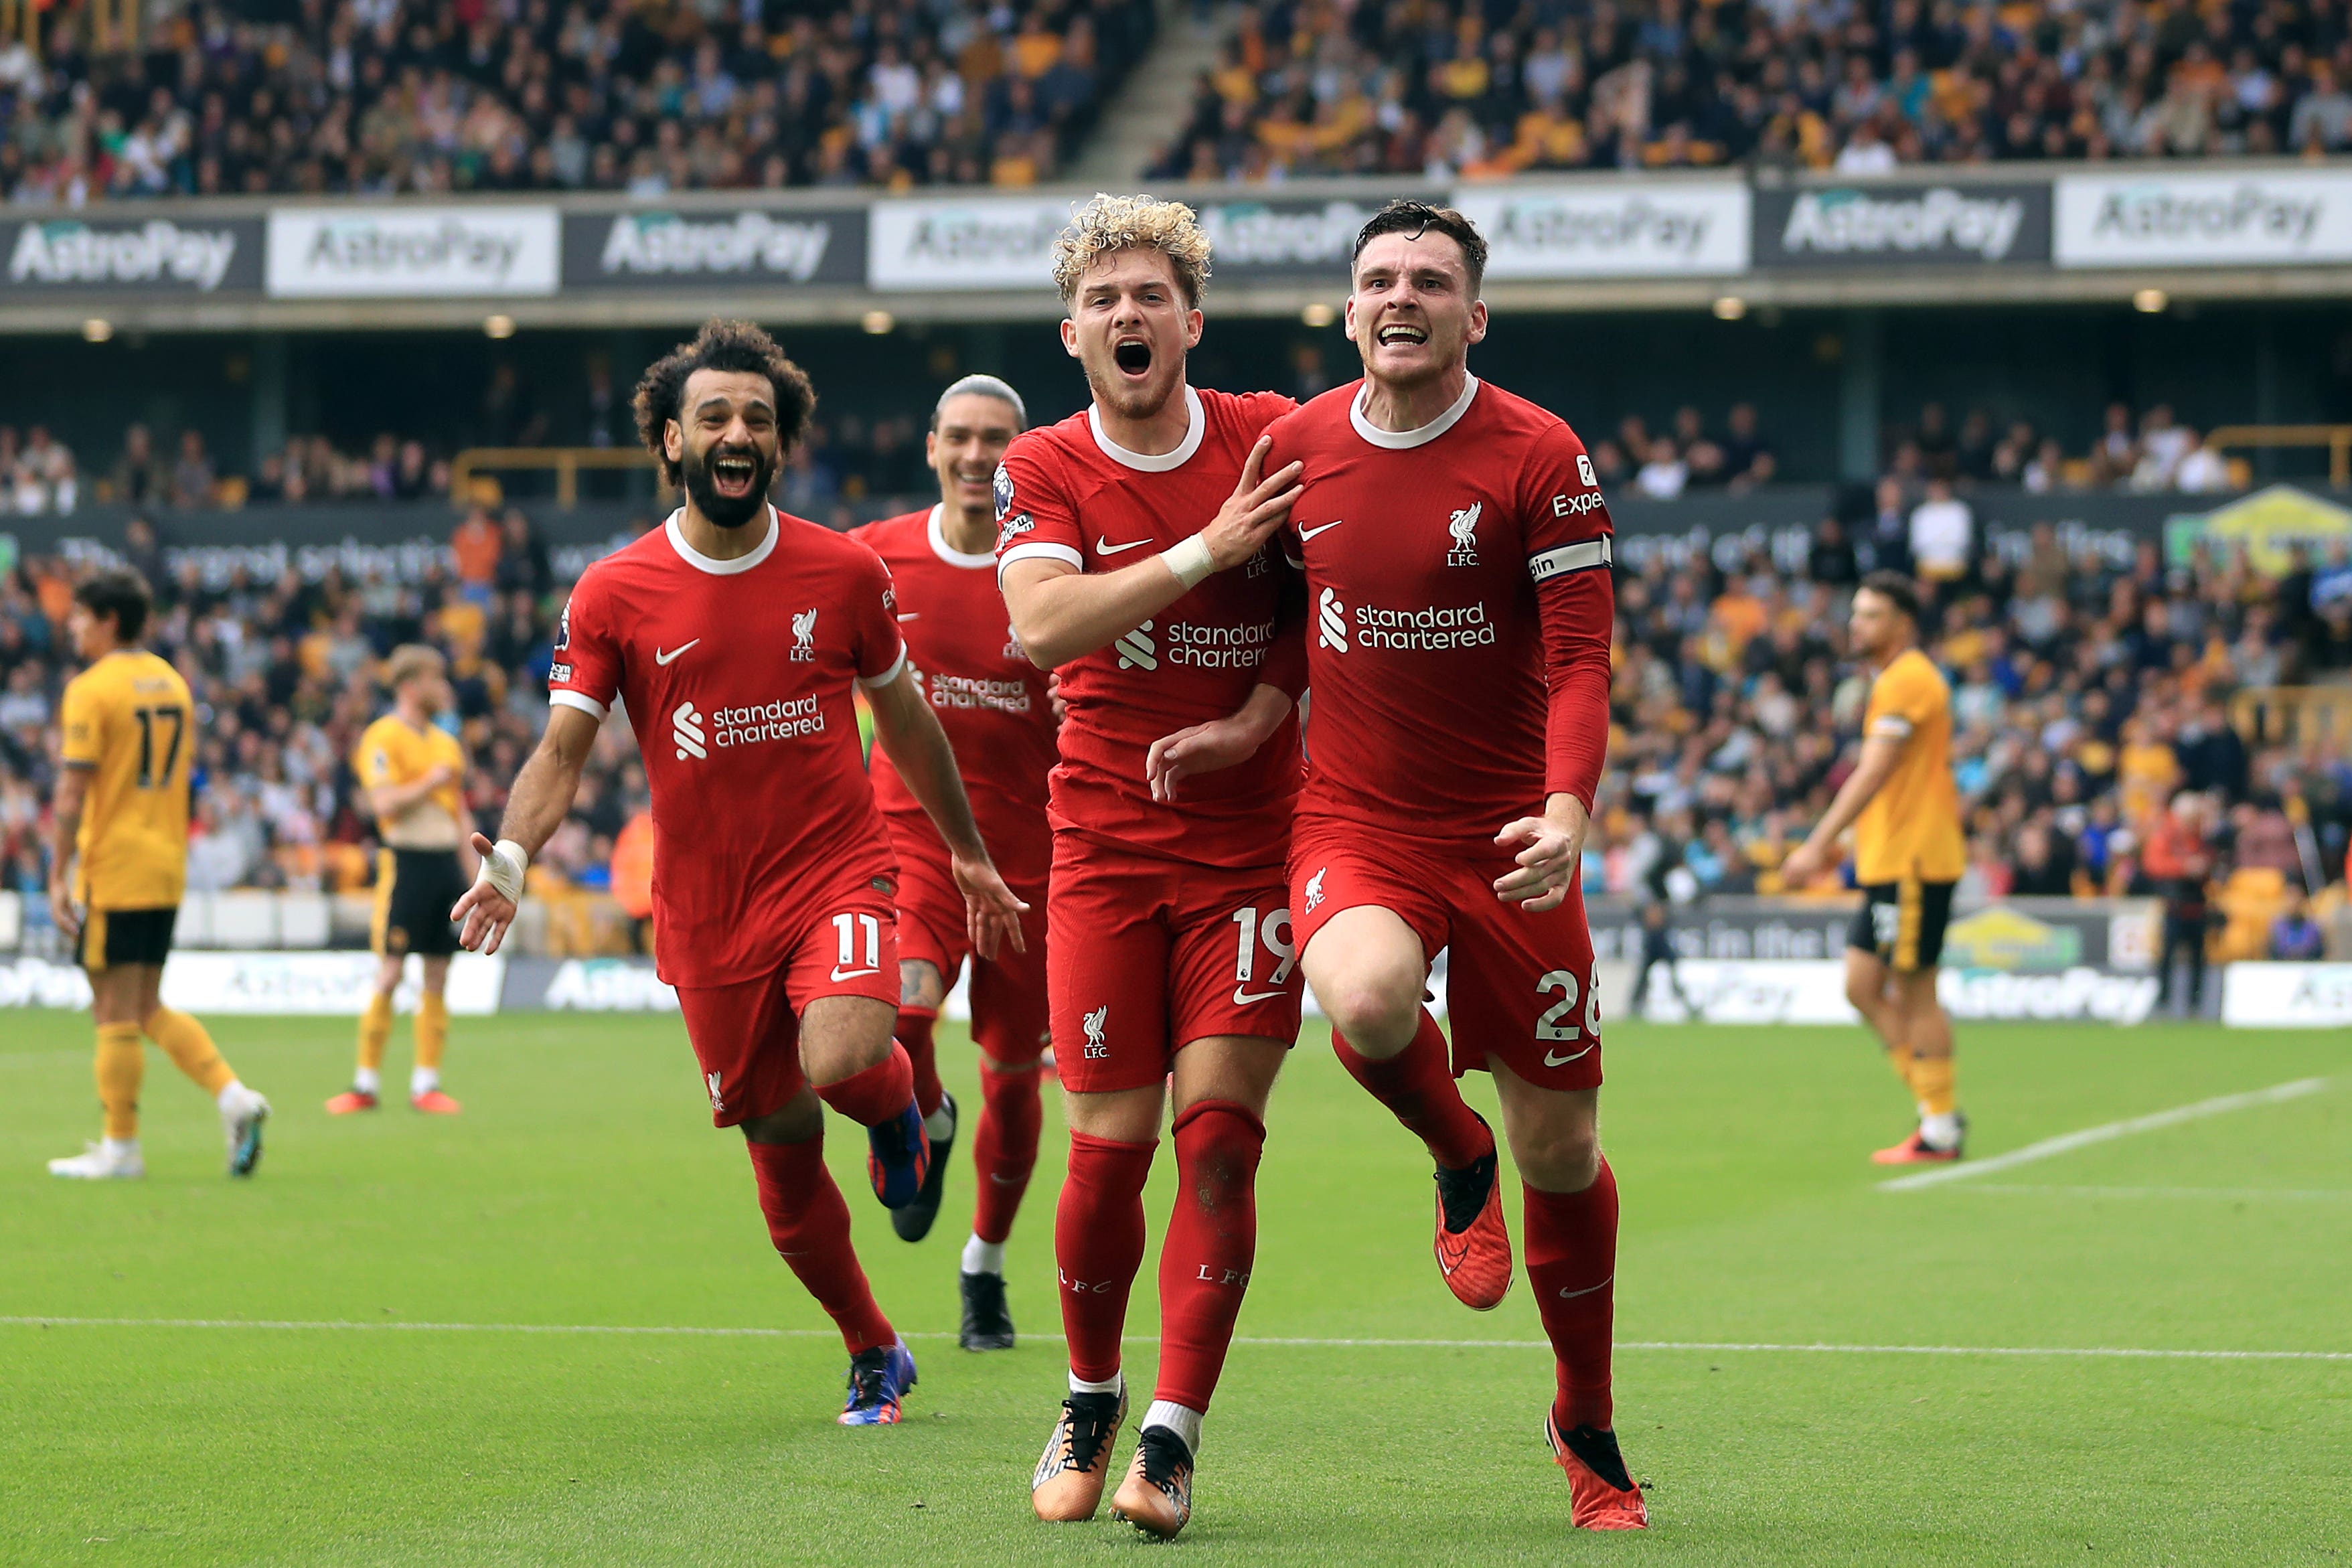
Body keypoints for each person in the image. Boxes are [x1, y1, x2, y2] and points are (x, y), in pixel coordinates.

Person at [451, 320, 1028, 1426]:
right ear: (670, 441)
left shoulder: (843, 570)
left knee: (851, 1055)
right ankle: (873, 1347)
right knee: (780, 1154)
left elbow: (907, 725)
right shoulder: (615, 590)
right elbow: (561, 750)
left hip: (837, 875)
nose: (736, 433)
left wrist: (962, 849)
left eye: (757, 418)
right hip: (709, 916)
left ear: (780, 442)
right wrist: (513, 861)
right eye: (713, 416)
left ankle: (908, 1111)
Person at [1241, 200, 1644, 1531]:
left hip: (1511, 833)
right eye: (1376, 279)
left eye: (1428, 279)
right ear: (1347, 310)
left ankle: (1582, 1416)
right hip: (1356, 816)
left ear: (1475, 313)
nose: (1397, 296)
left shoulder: (1538, 452)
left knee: (1567, 1154)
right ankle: (1449, 1149)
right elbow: (1275, 618)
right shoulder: (1292, 451)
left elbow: (1581, 656)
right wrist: (1245, 717)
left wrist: (1569, 807)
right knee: (1359, 997)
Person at [996, 193, 1308, 1539]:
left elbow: (1329, 599)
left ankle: (1170, 1434)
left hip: (1248, 846)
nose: (1129, 315)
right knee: (1106, 1155)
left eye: (1151, 293)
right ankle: (1088, 1391)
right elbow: (1038, 621)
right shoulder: (1046, 465)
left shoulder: (1271, 434)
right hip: (1104, 849)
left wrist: (1260, 713)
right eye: (1104, 298)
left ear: (1192, 317)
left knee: (1220, 1148)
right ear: (1073, 333)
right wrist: (1205, 551)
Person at [849, 374, 1056, 1352]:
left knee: (1016, 1081)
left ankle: (984, 1263)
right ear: (932, 445)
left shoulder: (1053, 568)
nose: (978, 456)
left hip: (1033, 869)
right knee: (898, 1010)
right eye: (961, 437)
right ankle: (924, 1115)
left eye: (997, 441)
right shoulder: (874, 559)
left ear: (1022, 450)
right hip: (914, 846)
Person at [46, 569, 271, 1180]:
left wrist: (56, 869)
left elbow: (72, 793)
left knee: (113, 1009)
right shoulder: (172, 683)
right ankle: (234, 1098)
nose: (73, 627)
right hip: (166, 861)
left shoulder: (92, 688)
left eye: (81, 617)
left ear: (108, 620)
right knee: (146, 1004)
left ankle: (121, 1148)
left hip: (113, 864)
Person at [1781, 572, 1969, 1164]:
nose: (1856, 624)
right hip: (1890, 859)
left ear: (1901, 624)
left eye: (1870, 615)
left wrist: (1818, 843)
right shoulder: (1892, 680)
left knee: (1916, 994)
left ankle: (1939, 1127)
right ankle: (1934, 1109)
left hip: (1913, 860)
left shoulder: (1910, 679)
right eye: (1855, 613)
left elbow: (1875, 769)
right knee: (1862, 986)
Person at [329, 645, 476, 1117]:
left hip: (444, 868)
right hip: (406, 865)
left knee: (438, 973)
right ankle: (365, 1083)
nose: (444, 688)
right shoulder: (382, 737)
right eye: (436, 680)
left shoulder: (446, 743)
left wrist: (478, 880)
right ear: (411, 686)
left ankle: (426, 1084)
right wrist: (430, 782)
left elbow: (459, 816)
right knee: (391, 971)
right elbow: (382, 805)